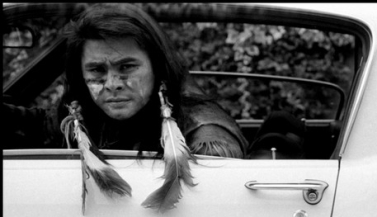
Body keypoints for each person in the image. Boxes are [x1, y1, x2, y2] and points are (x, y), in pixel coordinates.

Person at [3, 3, 247, 158]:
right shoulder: (83, 113)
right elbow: (36, 124)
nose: (112, 83)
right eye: (97, 70)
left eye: (127, 67)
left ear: (157, 67)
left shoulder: (205, 138)